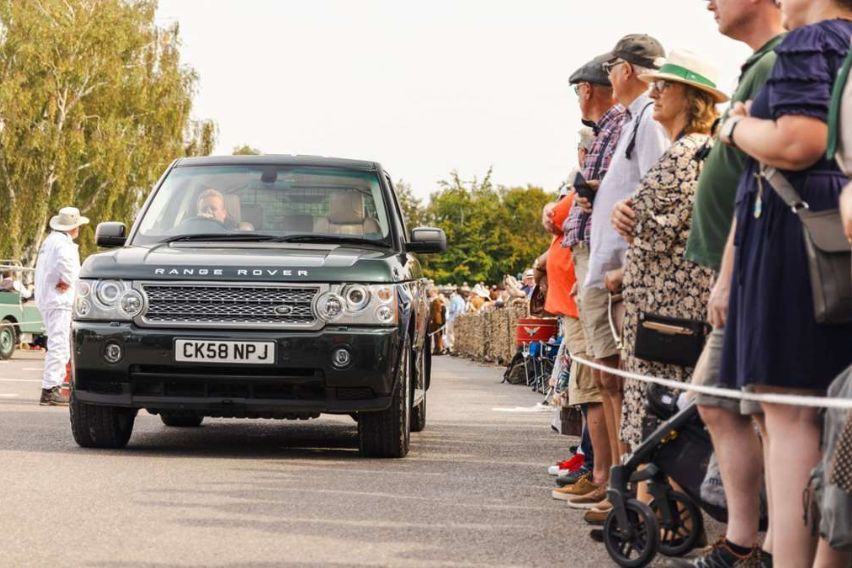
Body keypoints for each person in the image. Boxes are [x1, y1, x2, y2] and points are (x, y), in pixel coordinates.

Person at [714, 1, 852, 565]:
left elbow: (799, 141)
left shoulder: (813, 41)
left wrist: (736, 124)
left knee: (790, 414)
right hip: (821, 237)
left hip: (793, 242)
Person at [609, 49, 724, 457]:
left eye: (664, 85)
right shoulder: (693, 151)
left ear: (691, 97)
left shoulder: (685, 154)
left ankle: (651, 509)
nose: (653, 91)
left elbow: (656, 230)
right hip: (667, 305)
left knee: (658, 411)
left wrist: (624, 216)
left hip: (667, 311)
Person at [581, 35, 670, 504]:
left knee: (624, 385)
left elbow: (657, 196)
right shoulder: (638, 120)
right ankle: (622, 486)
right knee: (615, 384)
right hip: (615, 272)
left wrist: (629, 266)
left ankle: (632, 491)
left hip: (626, 275)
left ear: (627, 70)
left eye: (612, 65)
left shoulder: (649, 121)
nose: (609, 73)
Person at [553, 52, 626, 516]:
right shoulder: (614, 128)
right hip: (589, 262)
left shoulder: (617, 126)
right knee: (600, 375)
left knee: (606, 376)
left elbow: (609, 194)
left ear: (586, 89)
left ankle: (610, 478)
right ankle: (608, 477)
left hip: (600, 262)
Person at [34, 206, 89, 406]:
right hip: (60, 300)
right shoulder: (63, 245)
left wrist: (65, 279)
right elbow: (72, 272)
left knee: (57, 343)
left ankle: (52, 387)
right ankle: (50, 388)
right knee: (59, 345)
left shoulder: (51, 241)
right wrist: (70, 281)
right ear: (73, 228)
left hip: (49, 298)